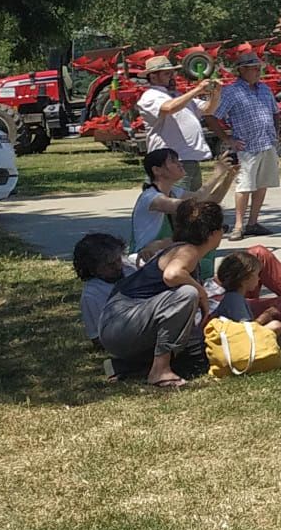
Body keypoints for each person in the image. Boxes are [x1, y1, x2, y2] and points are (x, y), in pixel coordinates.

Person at [97, 198, 228, 386]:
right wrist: (201, 292)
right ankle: (160, 370)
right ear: (213, 233)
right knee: (187, 294)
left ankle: (125, 366)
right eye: (224, 227)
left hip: (118, 325)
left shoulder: (177, 246)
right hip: (121, 323)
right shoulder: (188, 251)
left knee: (197, 351)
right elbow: (172, 275)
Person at [132, 147, 238, 275]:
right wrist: (217, 174)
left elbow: (210, 201)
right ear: (157, 170)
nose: (180, 164)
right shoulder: (151, 198)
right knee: (200, 252)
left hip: (164, 250)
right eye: (173, 161)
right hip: (146, 257)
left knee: (206, 245)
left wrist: (229, 177)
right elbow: (191, 205)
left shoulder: (174, 191)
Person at [217, 47, 281, 239]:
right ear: (242, 70)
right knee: (244, 186)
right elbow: (213, 116)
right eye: (253, 68)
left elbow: (275, 111)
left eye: (258, 67)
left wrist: (275, 133)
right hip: (246, 147)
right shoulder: (231, 92)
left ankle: (253, 222)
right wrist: (227, 139)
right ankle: (238, 225)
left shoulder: (264, 88)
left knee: (262, 184)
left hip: (267, 143)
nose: (257, 71)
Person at [134, 55, 221, 189]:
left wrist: (215, 94)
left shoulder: (177, 96)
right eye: (167, 73)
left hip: (188, 158)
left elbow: (208, 109)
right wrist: (197, 90)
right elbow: (169, 108)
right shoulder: (150, 96)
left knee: (192, 202)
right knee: (175, 203)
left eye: (172, 73)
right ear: (153, 77)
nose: (172, 77)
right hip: (169, 161)